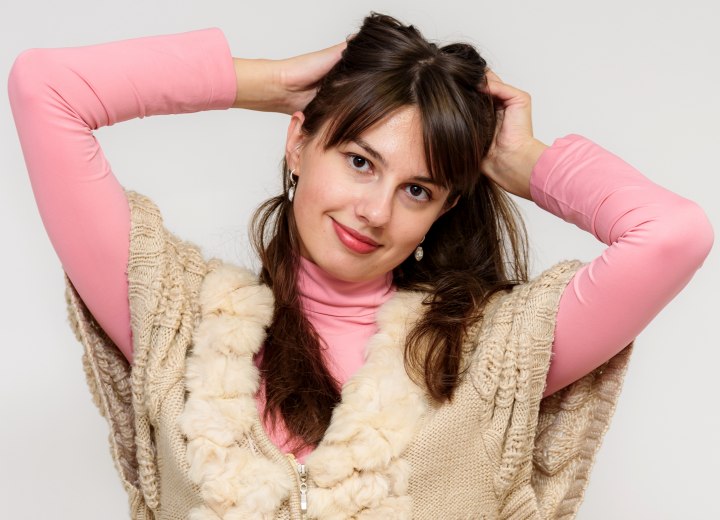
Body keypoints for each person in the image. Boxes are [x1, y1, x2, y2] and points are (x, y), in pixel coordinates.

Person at [7, 12, 713, 520]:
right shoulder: (176, 321)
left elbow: (673, 234)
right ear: (299, 142)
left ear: (444, 207)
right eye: (358, 161)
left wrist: (519, 162)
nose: (375, 210)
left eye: (417, 189)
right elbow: (46, 89)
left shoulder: (497, 356)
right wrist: (269, 81)